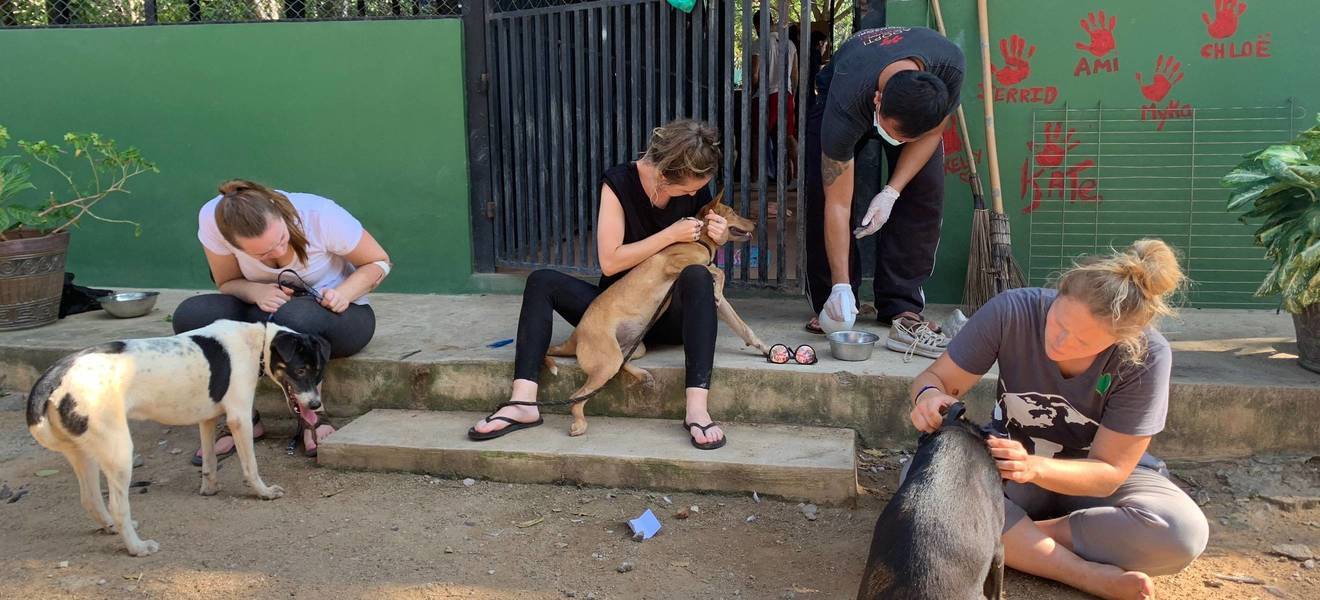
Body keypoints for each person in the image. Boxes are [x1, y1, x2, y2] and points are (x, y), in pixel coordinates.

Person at [906, 240, 1208, 600]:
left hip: (1089, 486)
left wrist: (1033, 468)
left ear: (1119, 340)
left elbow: (1108, 473)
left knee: (1181, 535)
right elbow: (933, 380)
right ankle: (1083, 573)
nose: (1060, 342)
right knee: (921, 477)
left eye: (1082, 341)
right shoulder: (1012, 311)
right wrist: (929, 398)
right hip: (1007, 467)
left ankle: (1011, 539)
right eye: (1058, 322)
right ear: (1057, 295)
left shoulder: (1148, 356)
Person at [468, 119, 732, 450]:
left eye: (699, 189)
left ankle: (696, 411)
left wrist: (718, 238)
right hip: (616, 311)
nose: (695, 195)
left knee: (697, 276)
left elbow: (699, 254)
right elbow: (610, 261)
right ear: (665, 176)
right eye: (689, 190)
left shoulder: (694, 185)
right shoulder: (619, 183)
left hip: (666, 318)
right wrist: (669, 235)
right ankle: (523, 402)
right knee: (541, 281)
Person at [174, 180, 391, 461]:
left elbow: (379, 262)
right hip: (267, 312)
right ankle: (241, 419)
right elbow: (226, 281)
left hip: (341, 316)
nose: (276, 253)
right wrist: (256, 291)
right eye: (261, 253)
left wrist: (343, 293)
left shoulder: (318, 215)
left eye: (281, 240)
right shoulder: (213, 219)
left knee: (294, 319)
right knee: (193, 316)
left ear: (281, 214)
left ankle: (313, 416)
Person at [803, 22, 963, 361]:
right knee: (822, 196)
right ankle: (835, 302)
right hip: (841, 86)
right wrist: (841, 285)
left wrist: (891, 191)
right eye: (894, 133)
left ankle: (901, 306)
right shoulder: (849, 103)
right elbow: (838, 203)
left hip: (915, 111)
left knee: (923, 195)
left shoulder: (948, 68)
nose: (898, 144)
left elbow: (934, 132)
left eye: (907, 140)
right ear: (878, 100)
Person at [749, 9, 798, 183]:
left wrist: (750, 92)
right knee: (789, 137)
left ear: (757, 25)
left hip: (765, 96)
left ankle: (755, 178)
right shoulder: (789, 44)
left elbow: (755, 75)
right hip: (786, 94)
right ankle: (796, 178)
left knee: (757, 137)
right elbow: (795, 76)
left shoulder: (759, 44)